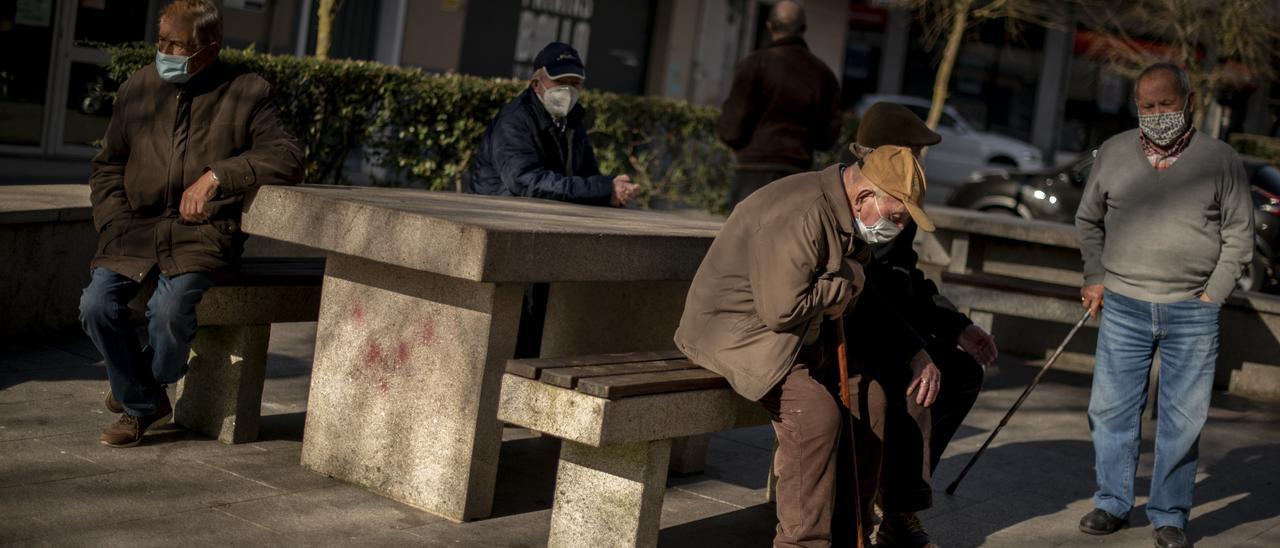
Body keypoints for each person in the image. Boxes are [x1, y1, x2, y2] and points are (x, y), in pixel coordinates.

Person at [675, 145, 935, 547]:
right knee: (815, 417)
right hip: (737, 332)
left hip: (797, 335)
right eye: (896, 216)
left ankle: (852, 532)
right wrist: (846, 280)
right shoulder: (802, 211)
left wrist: (850, 281)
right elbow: (783, 309)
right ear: (865, 197)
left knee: (871, 399)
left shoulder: (845, 212)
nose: (897, 229)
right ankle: (803, 543)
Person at [80, 0, 303, 448]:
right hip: (133, 232)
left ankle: (136, 398)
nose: (162, 50)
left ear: (208, 50)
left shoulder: (247, 92)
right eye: (160, 39)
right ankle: (146, 398)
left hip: (202, 236)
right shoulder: (138, 88)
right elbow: (107, 167)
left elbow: (288, 157)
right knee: (95, 307)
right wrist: (113, 222)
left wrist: (217, 176)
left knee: (169, 312)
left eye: (174, 44)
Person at [1075, 62, 1253, 548]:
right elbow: (1088, 220)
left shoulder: (1220, 159)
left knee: (1182, 419)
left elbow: (1239, 234)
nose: (1156, 114)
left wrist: (1212, 295)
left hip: (1191, 310)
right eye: (1146, 106)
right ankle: (1112, 503)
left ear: (1188, 101)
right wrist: (1095, 276)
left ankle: (1170, 514)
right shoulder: (1112, 152)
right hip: (1124, 303)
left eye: (1166, 104)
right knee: (1110, 410)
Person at [842, 103, 996, 548]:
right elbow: (862, 293)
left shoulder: (901, 200)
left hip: (892, 328)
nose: (920, 162)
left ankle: (898, 494)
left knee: (963, 373)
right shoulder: (858, 195)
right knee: (917, 388)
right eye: (913, 151)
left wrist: (958, 327)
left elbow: (908, 279)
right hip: (851, 328)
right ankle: (898, 513)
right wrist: (915, 352)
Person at [468, 41, 636, 207]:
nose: (569, 90)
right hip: (500, 213)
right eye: (560, 81)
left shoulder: (573, 119)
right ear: (536, 84)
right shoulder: (514, 120)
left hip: (544, 213)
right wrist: (603, 189)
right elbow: (527, 181)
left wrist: (612, 190)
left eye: (575, 83)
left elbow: (587, 175)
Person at [717, 0, 841, 210]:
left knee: (744, 238)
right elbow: (827, 136)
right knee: (787, 240)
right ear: (803, 28)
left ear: (769, 25)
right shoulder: (822, 74)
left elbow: (731, 128)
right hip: (797, 173)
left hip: (752, 171)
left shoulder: (754, 64)